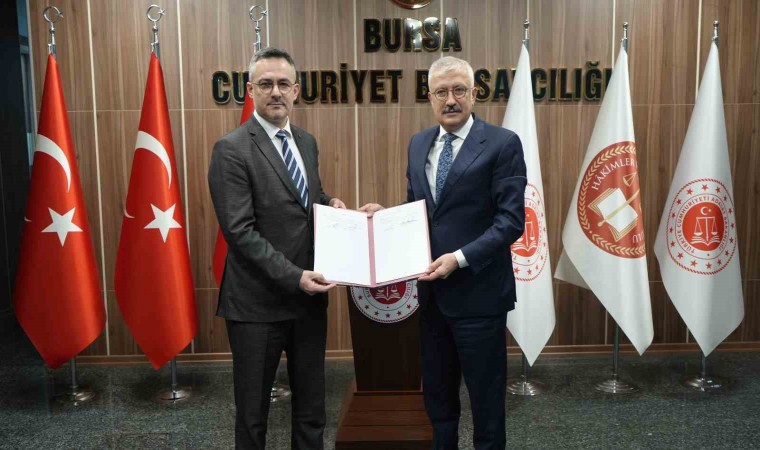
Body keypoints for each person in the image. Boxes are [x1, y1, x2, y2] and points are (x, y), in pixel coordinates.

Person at [360, 56, 526, 450]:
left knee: (486, 402)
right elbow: (419, 211)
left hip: (480, 295)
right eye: (441, 92)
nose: (450, 100)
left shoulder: (502, 143)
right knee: (437, 398)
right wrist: (387, 218)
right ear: (430, 97)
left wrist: (459, 258)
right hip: (432, 299)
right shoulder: (418, 143)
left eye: (458, 90)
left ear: (474, 93)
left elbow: (510, 221)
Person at [208, 47, 345, 450]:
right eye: (266, 84)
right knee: (253, 418)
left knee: (312, 411)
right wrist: (295, 276)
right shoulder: (231, 149)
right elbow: (240, 231)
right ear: (250, 90)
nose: (276, 92)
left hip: (308, 302)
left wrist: (334, 206)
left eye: (284, 83)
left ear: (296, 90)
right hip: (257, 306)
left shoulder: (306, 142)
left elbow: (308, 199)